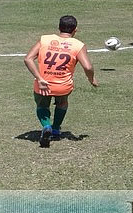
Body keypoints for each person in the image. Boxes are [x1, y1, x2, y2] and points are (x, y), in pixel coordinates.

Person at [24, 15, 98, 148]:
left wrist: (40, 78)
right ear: (75, 30)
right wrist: (91, 79)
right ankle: (56, 129)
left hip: (43, 85)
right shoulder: (78, 45)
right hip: (63, 86)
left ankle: (47, 126)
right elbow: (87, 66)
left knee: (42, 106)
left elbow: (28, 59)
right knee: (62, 103)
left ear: (59, 28)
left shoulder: (45, 39)